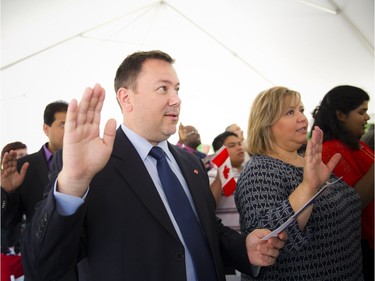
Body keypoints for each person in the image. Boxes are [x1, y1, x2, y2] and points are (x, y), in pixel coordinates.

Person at [21, 50, 286, 281]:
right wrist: (73, 185)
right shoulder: (89, 166)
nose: (176, 99)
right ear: (126, 98)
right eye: (163, 88)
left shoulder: (190, 163)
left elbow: (204, 229)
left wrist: (243, 248)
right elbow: (43, 266)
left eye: (177, 89)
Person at [235, 86, 363, 280]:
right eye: (290, 112)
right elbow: (266, 242)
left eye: (301, 110)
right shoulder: (260, 170)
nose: (302, 118)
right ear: (266, 123)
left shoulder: (307, 161)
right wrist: (308, 187)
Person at [311, 85, 374, 281]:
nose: (367, 118)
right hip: (358, 245)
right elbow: (353, 202)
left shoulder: (357, 144)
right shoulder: (330, 151)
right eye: (361, 112)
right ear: (341, 115)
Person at [1, 100, 68, 228]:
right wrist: (7, 192)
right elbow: (8, 223)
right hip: (40, 246)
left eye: (73, 124)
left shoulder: (88, 163)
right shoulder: (22, 167)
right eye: (63, 124)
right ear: (46, 129)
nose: (69, 129)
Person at [1, 141, 28, 281]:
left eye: (26, 155)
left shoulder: (33, 183)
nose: (24, 159)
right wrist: (6, 192)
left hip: (32, 257)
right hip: (9, 259)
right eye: (19, 156)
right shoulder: (3, 189)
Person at [209, 131, 245, 232]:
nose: (239, 148)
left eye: (240, 143)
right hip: (228, 240)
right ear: (220, 152)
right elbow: (208, 205)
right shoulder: (213, 174)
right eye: (232, 145)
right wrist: (219, 177)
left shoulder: (249, 171)